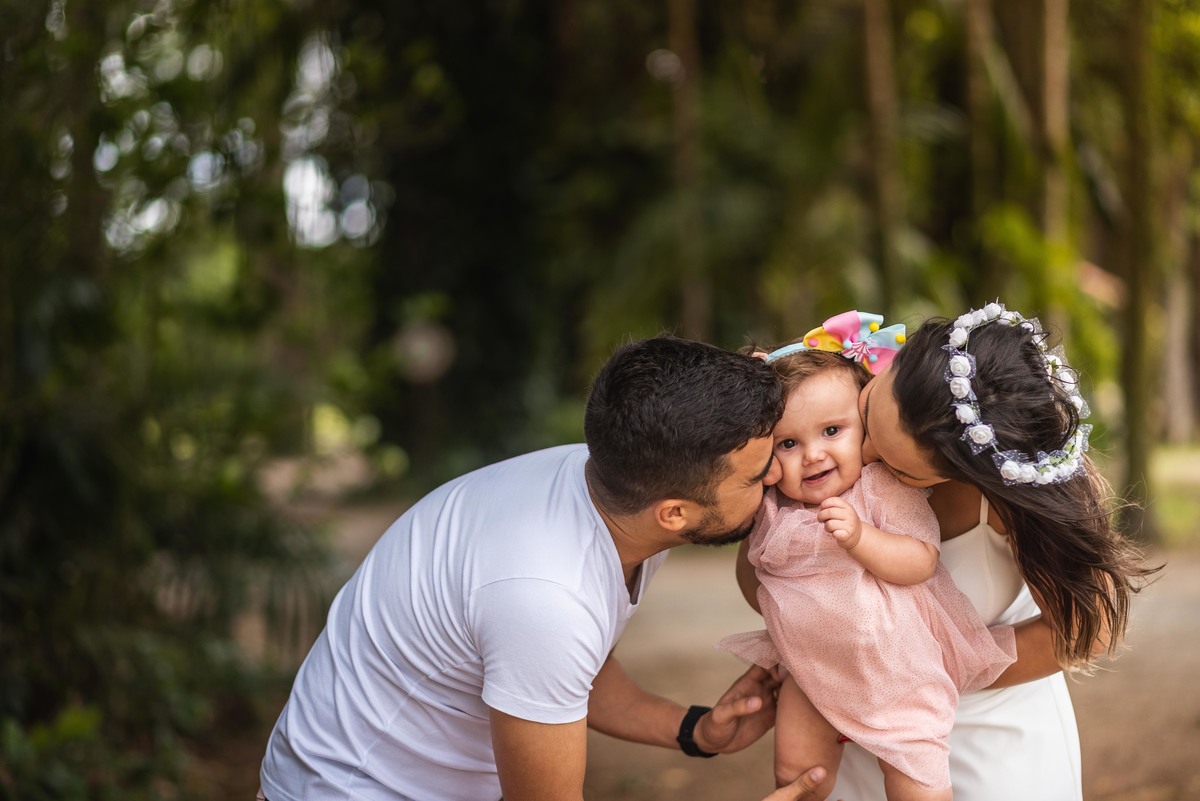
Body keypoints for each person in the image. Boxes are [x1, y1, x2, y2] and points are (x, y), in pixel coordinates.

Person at [257, 335, 832, 801]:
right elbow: (550, 643)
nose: (778, 479)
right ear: (675, 514)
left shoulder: (617, 488)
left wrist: (692, 730)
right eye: (758, 476)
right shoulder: (545, 596)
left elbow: (560, 672)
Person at [820, 301, 1156, 801]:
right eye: (868, 414)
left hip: (983, 751)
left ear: (968, 476)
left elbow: (1088, 628)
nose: (860, 456)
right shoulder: (828, 413)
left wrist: (939, 668)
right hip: (858, 744)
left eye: (901, 469)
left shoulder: (1010, 501)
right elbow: (761, 575)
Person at [720, 311, 1016, 800]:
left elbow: (920, 561)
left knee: (916, 780)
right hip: (811, 670)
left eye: (832, 431)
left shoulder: (879, 489)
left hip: (896, 671)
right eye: (788, 443)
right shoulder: (771, 504)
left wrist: (861, 538)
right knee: (797, 774)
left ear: (863, 426)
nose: (812, 455)